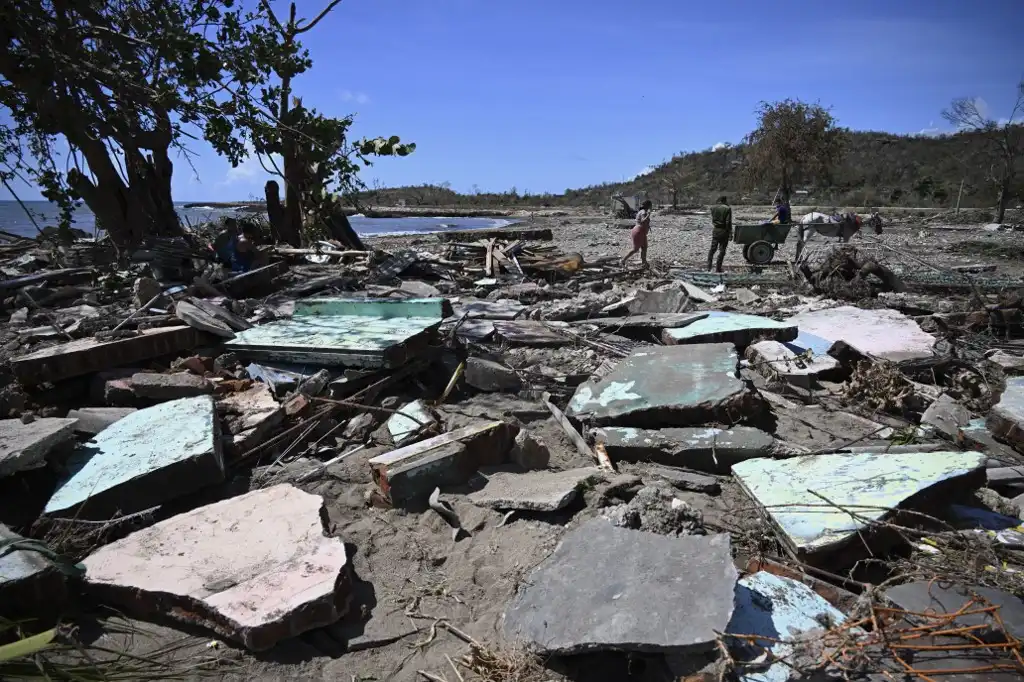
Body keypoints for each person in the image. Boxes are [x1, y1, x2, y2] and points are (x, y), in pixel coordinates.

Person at [621, 199, 653, 268]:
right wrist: (648, 215)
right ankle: (623, 260)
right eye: (650, 205)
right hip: (639, 231)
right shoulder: (643, 212)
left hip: (642, 232)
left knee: (644, 248)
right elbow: (642, 221)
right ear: (648, 206)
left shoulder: (642, 211)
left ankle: (644, 262)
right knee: (635, 249)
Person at [708, 195, 732, 272]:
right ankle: (718, 268)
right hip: (724, 231)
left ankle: (709, 267)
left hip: (716, 230)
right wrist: (730, 233)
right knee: (722, 250)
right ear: (725, 200)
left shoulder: (713, 208)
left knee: (712, 250)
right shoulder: (727, 209)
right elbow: (728, 222)